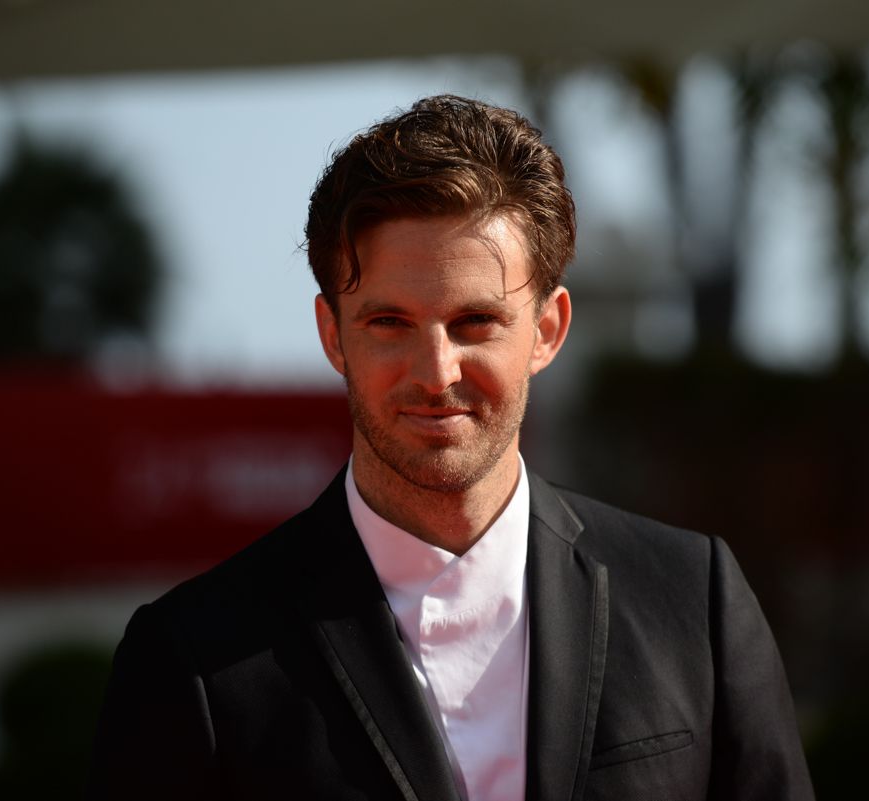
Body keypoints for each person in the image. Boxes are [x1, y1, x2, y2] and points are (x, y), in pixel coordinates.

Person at [87, 94, 814, 801]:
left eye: (474, 321)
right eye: (389, 323)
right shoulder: (194, 656)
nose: (437, 374)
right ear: (333, 333)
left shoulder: (694, 600)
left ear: (548, 329)